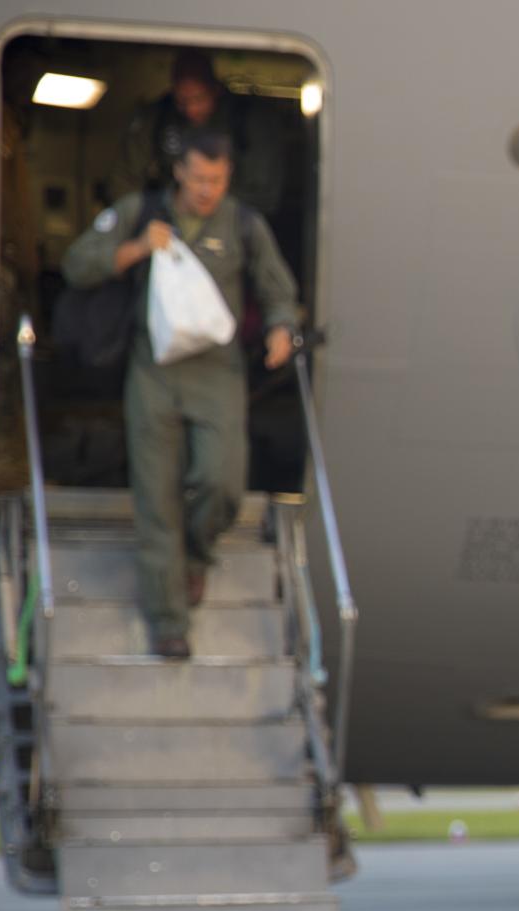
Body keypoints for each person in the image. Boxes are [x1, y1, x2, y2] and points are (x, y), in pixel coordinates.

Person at [62, 129, 298, 660]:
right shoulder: (141, 211)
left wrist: (281, 328)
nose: (206, 190)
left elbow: (277, 287)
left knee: (220, 479)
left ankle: (195, 555)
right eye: (197, 179)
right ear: (179, 173)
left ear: (228, 177)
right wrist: (137, 248)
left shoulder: (243, 224)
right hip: (154, 369)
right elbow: (78, 263)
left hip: (217, 370)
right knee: (156, 495)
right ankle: (169, 622)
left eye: (215, 180)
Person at [115, 49, 283, 215]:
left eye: (198, 99)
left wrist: (216, 214)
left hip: (231, 226)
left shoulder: (246, 118)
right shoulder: (160, 116)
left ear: (215, 89)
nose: (191, 109)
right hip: (168, 222)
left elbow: (264, 192)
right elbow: (124, 178)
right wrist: (140, 221)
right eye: (182, 101)